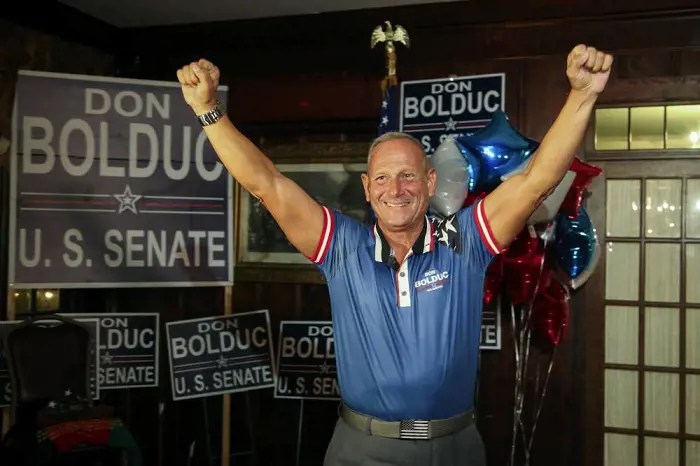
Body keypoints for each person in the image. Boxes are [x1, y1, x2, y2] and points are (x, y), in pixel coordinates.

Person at [176, 44, 612, 466]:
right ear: (367, 188)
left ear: (429, 181)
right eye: (382, 177)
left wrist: (583, 93)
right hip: (363, 450)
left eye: (408, 175)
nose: (395, 189)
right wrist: (207, 110)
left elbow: (535, 181)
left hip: (456, 448)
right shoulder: (343, 246)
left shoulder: (465, 239)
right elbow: (265, 183)